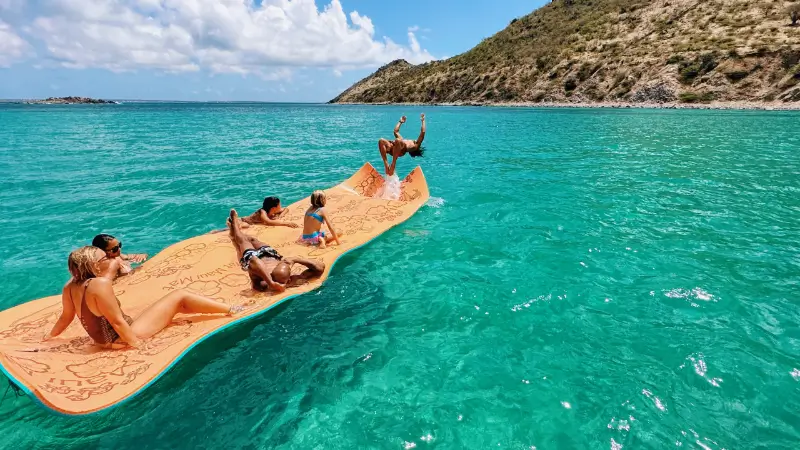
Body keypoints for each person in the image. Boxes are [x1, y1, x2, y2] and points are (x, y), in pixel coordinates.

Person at [43, 246, 249, 349]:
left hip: (102, 341)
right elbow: (116, 321)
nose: (108, 260)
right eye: (104, 258)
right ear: (93, 265)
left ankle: (209, 309)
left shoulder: (69, 286)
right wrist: (137, 348)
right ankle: (231, 309)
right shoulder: (100, 284)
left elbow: (66, 317)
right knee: (180, 296)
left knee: (165, 309)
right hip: (122, 339)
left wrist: (49, 338)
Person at [228, 209, 325, 293]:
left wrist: (271, 283)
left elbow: (253, 261)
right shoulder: (295, 279)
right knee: (253, 240)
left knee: (243, 241)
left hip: (255, 258)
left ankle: (235, 226)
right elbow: (320, 267)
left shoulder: (264, 284)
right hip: (272, 255)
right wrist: (295, 259)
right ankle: (235, 233)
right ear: (289, 278)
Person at [211, 196, 298, 234]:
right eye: (279, 205)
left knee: (246, 226)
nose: (281, 206)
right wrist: (285, 223)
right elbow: (268, 222)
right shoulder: (263, 212)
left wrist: (281, 215)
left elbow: (286, 209)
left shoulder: (273, 211)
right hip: (244, 221)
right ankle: (219, 231)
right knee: (245, 226)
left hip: (248, 222)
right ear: (273, 208)